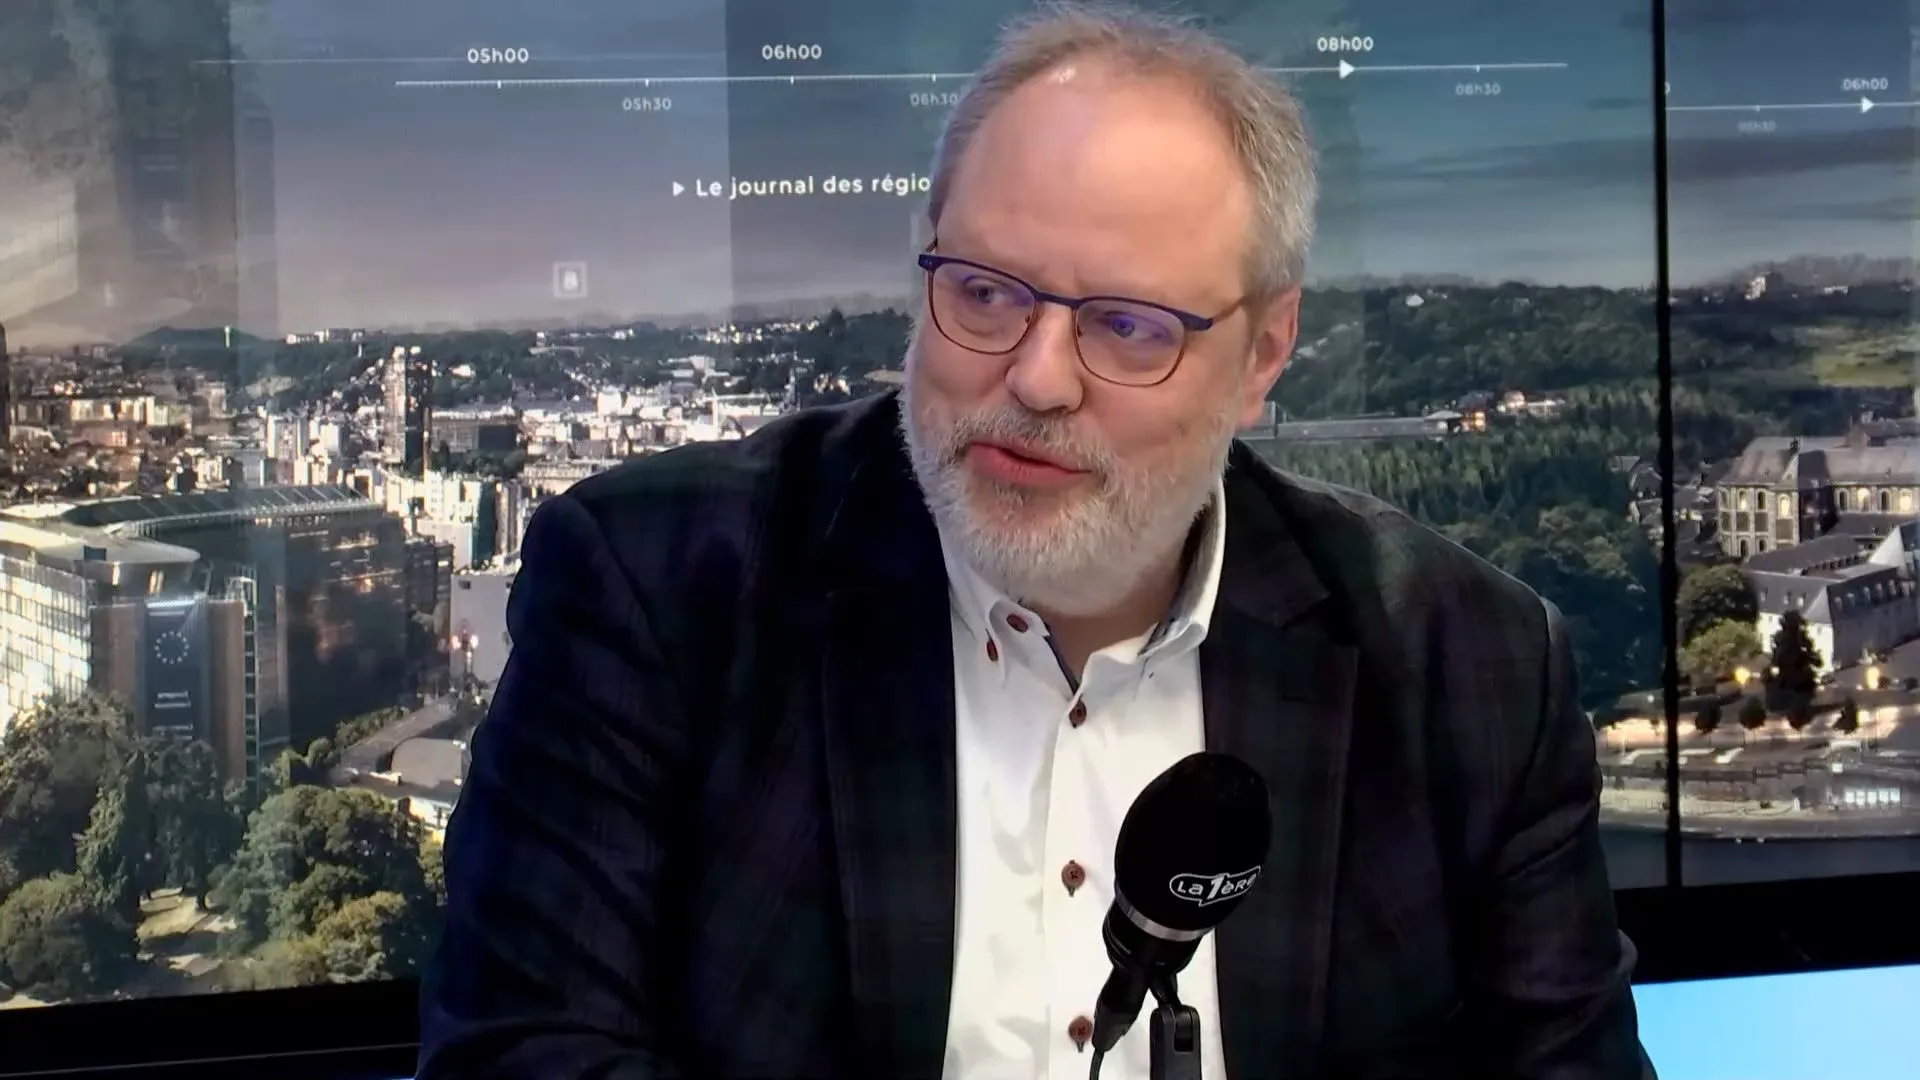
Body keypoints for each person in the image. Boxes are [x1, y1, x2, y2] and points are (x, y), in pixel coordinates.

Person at [417, 3, 1655, 1078]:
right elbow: (522, 1053)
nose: (1039, 378)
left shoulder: (1467, 664)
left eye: (1128, 325)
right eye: (986, 293)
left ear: (1264, 355)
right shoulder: (658, 590)